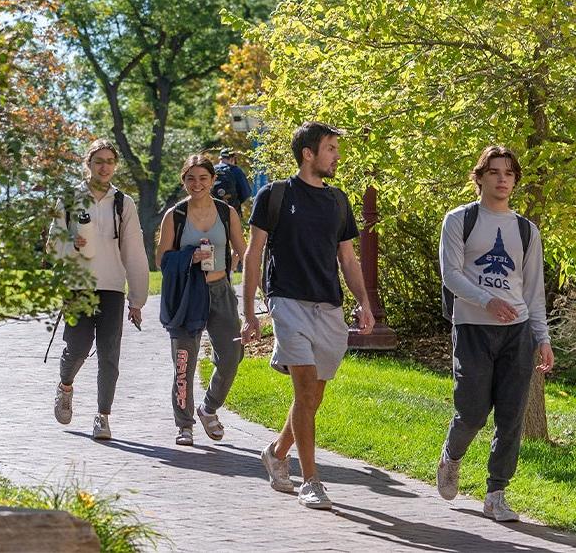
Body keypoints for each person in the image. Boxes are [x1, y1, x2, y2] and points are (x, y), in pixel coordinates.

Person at [241, 121, 374, 509]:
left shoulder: (338, 201)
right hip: (287, 302)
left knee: (313, 395)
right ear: (308, 154)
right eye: (330, 148)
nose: (336, 155)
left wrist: (363, 302)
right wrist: (250, 311)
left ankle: (277, 452)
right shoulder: (275, 195)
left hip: (328, 305)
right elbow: (254, 253)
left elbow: (347, 257)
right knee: (303, 387)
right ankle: (311, 481)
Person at [436, 145, 554, 522]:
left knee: (511, 416)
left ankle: (496, 492)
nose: (503, 179)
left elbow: (533, 289)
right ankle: (451, 457)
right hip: (472, 328)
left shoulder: (525, 230)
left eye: (509, 173)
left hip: (517, 334)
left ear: (515, 181)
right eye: (495, 172)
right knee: (471, 413)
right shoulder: (460, 220)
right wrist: (486, 301)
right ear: (480, 177)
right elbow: (451, 274)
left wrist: (543, 337)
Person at [46, 139, 149, 440]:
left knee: (109, 355)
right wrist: (71, 245)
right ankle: (65, 386)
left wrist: (137, 299)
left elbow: (134, 250)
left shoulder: (123, 203)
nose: (104, 167)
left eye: (109, 161)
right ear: (88, 164)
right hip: (78, 286)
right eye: (98, 161)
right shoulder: (68, 199)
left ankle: (103, 416)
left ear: (114, 165)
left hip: (112, 288)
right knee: (77, 348)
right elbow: (53, 248)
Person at [156, 154, 247, 446]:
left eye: (203, 178)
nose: (197, 184)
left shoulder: (226, 212)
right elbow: (161, 259)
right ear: (184, 182)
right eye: (191, 178)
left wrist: (235, 260)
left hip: (220, 290)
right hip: (187, 294)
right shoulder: (175, 215)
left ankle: (208, 408)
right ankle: (184, 425)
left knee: (232, 355)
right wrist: (189, 257)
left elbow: (243, 250)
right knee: (184, 362)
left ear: (213, 180)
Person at [214, 148, 252, 217]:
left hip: (212, 212)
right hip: (233, 212)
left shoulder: (212, 170)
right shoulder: (236, 171)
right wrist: (235, 201)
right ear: (232, 159)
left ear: (221, 158)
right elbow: (246, 192)